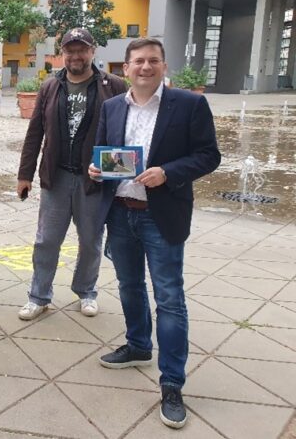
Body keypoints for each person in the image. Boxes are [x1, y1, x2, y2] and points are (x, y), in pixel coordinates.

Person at [88, 37, 220, 429]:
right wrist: (96, 170)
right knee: (129, 287)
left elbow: (209, 155)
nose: (145, 67)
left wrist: (169, 173)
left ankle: (172, 383)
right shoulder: (112, 106)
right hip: (121, 213)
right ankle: (138, 345)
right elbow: (101, 151)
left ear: (164, 66)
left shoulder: (190, 105)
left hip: (161, 215)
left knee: (169, 298)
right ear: (125, 68)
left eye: (153, 61)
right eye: (138, 61)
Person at [17, 28, 127, 321]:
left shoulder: (113, 85)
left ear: (93, 51)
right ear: (62, 53)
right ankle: (39, 296)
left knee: (91, 239)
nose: (76, 55)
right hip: (57, 176)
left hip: (94, 179)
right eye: (70, 50)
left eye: (82, 49)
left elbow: (126, 132)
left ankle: (86, 291)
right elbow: (35, 132)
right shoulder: (51, 86)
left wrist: (113, 170)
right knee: (46, 240)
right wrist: (24, 174)